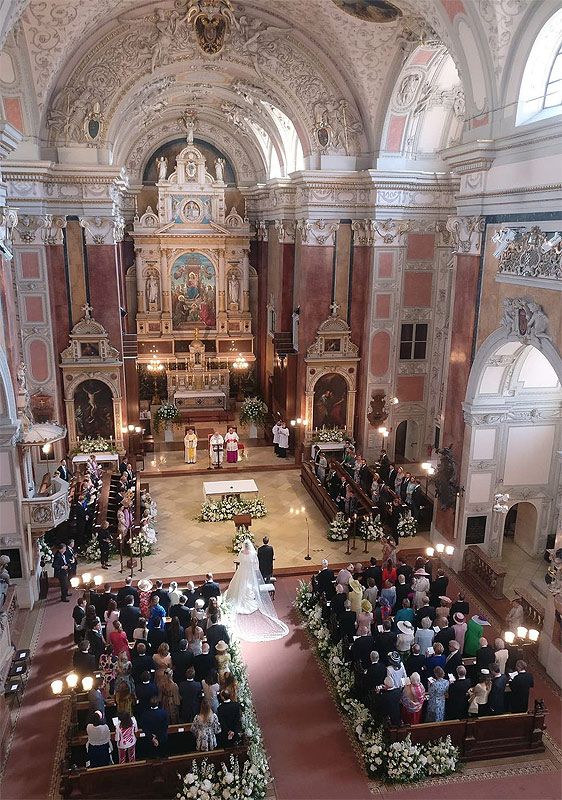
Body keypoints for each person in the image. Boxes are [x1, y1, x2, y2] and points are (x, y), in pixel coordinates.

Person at [225, 539, 289, 642]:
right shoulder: (253, 553)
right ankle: (248, 598)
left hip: (242, 572)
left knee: (240, 584)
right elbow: (256, 563)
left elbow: (240, 560)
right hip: (249, 572)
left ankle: (239, 597)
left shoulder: (241, 553)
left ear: (243, 546)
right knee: (249, 587)